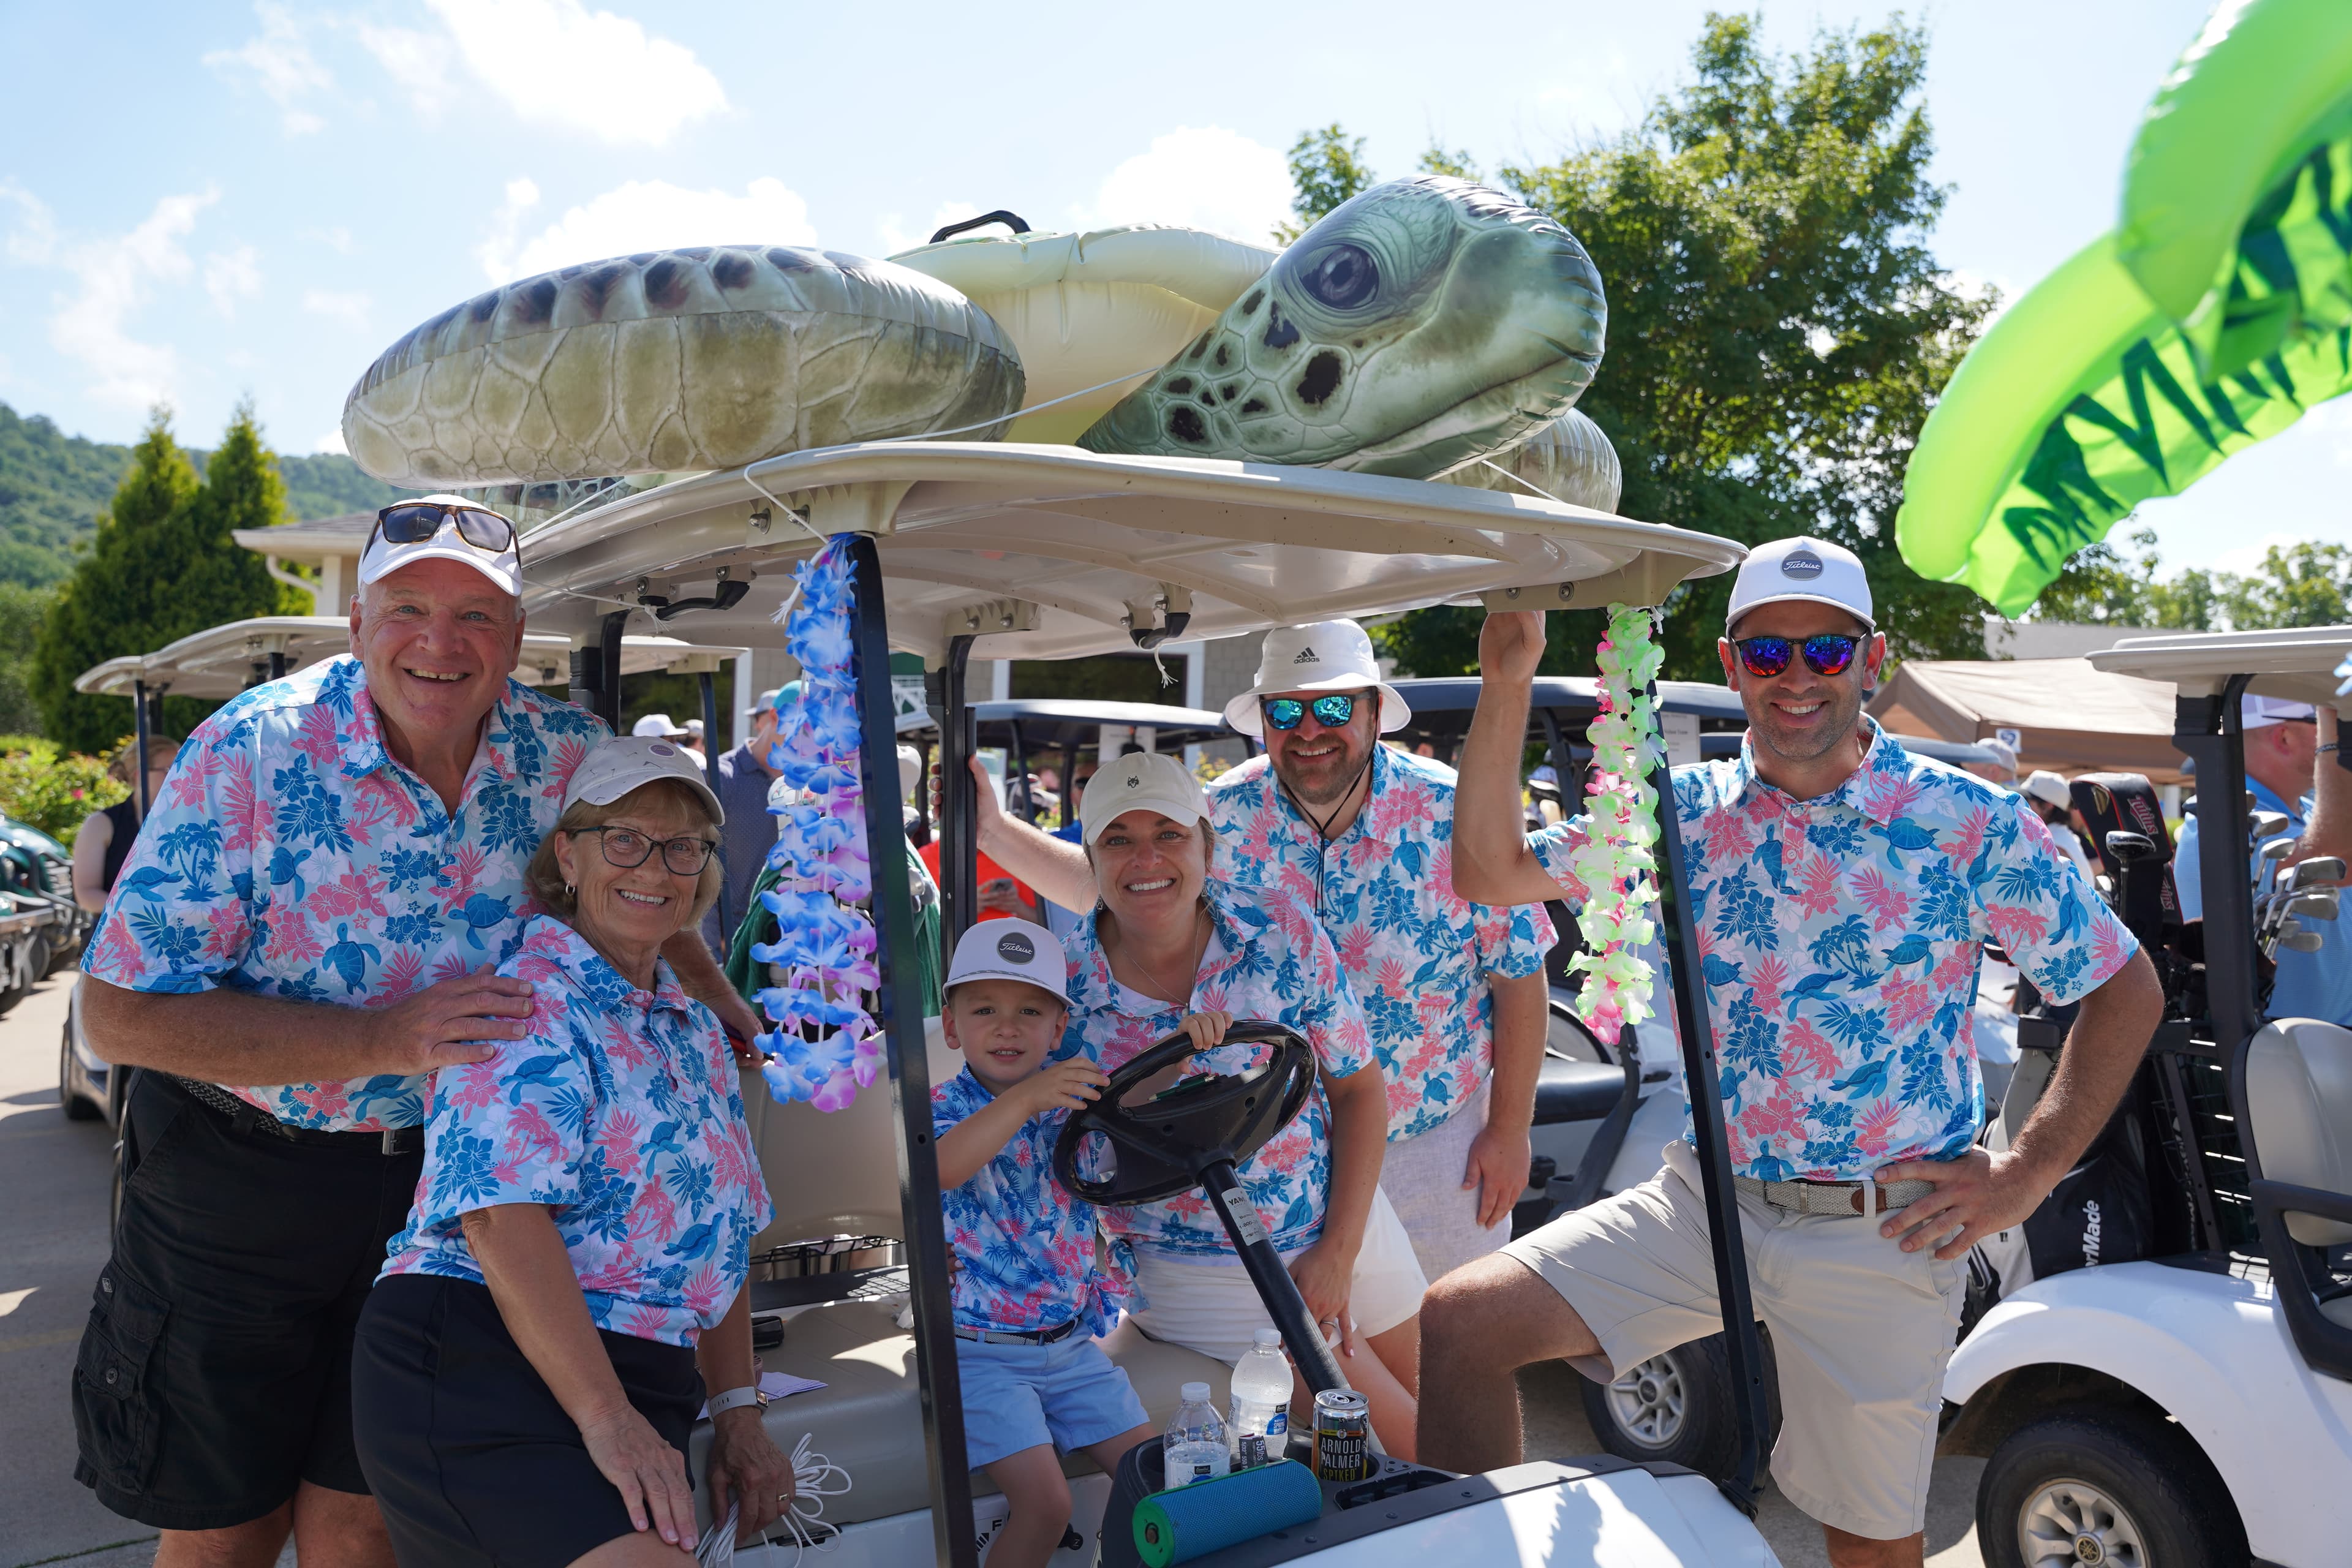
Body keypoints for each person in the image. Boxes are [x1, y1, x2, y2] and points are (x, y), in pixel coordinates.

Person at [1421, 535, 2163, 1568]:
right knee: (1462, 1324)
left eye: (1828, 650)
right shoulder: (1675, 813)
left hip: (1883, 1228)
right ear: (1733, 666)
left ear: (1873, 659)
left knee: (1868, 1548)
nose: (1799, 676)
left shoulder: (1966, 818)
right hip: (1705, 1201)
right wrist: (1506, 676)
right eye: (1769, 653)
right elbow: (1490, 872)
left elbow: (2126, 986)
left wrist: (2026, 1174)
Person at [72, 496, 762, 1567]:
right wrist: (379, 1041)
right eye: (408, 609)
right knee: (224, 1527)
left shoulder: (566, 755)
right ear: (357, 622)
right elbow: (117, 1015)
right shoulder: (251, 751)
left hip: (438, 1204)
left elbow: (643, 871)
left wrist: (712, 994)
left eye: (477, 615)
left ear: (516, 638)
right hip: (242, 1180)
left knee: (365, 1524)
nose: (441, 643)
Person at [976, 620, 1552, 1285]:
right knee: (1306, 1344)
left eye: (1332, 707)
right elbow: (1124, 886)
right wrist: (993, 831)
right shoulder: (1220, 813)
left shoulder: (1452, 809)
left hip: (1431, 1141)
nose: (1308, 731)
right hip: (1273, 1163)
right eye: (1285, 711)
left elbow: (1519, 973)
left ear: (1374, 712)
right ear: (1263, 723)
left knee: (1451, 1327)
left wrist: (1509, 1129)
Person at [355, 736, 791, 1564]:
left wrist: (739, 1412)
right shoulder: (521, 1004)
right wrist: (608, 1418)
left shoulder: (695, 1031)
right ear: (569, 855)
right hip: (486, 1361)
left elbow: (722, 1237)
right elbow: (499, 1219)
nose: (655, 868)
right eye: (624, 839)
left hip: (640, 1380)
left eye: (684, 847)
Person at [1056, 754, 1426, 1457]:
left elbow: (1357, 1087)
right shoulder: (1062, 987)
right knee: (1413, 1448)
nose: (1146, 859)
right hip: (1204, 1264)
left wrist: (1338, 1249)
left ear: (1206, 843)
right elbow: (1068, 1156)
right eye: (1118, 839)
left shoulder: (1279, 926)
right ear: (1091, 858)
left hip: (1343, 1216)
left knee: (1453, 1403)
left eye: (1168, 834)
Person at [933, 921, 1154, 1568]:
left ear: (1058, 1029)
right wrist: (1028, 1098)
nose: (1007, 1028)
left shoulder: (1070, 1097)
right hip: (979, 1353)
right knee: (1046, 1504)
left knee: (1156, 1479)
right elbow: (942, 1167)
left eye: (1030, 1011)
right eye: (985, 1010)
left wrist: (1188, 1051)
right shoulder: (942, 1108)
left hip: (1071, 1346)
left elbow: (1136, 1104)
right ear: (951, 1027)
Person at [2174, 695, 2352, 1026]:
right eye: (2324, 725)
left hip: (2330, 1040)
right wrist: (2334, 726)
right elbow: (2337, 858)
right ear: (2284, 738)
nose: (2338, 734)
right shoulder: (2219, 813)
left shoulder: (2311, 811)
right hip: (2274, 1045)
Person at [701, 684, 792, 954]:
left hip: (786, 944)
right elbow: (694, 863)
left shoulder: (812, 785)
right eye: (804, 729)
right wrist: (716, 942)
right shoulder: (720, 777)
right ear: (775, 716)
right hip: (728, 946)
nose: (811, 743)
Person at [71, 733, 180, 913]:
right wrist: (141, 913)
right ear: (139, 775)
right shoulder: (101, 824)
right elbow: (87, 895)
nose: (180, 776)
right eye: (169, 770)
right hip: (121, 928)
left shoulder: (186, 819)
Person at [2020, 770, 2100, 884]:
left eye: (2027, 801)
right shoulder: (2059, 836)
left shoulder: (2054, 845)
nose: (2020, 805)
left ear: (2047, 806)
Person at [633, 712, 704, 771]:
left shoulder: (694, 759)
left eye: (674, 739)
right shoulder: (633, 767)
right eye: (670, 740)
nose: (675, 744)